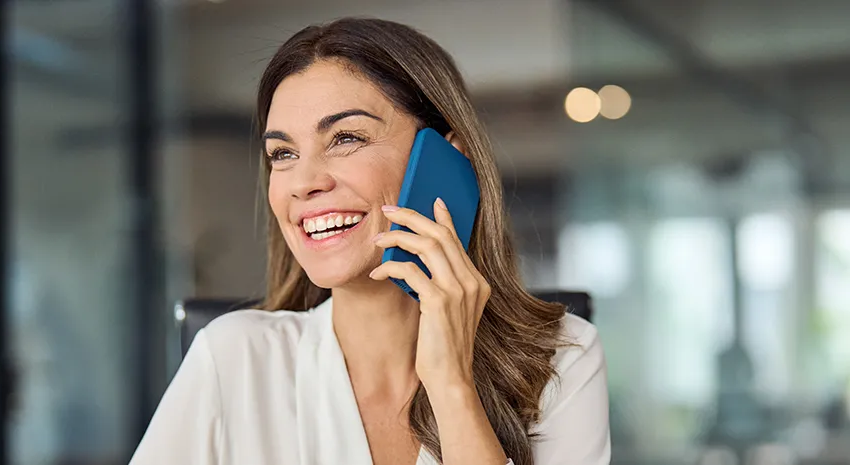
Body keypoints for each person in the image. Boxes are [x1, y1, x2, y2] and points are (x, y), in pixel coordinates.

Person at [130, 17, 610, 465]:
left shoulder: (560, 359)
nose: (304, 182)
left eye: (345, 138)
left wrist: (451, 384)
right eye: (283, 153)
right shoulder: (236, 357)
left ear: (447, 159)